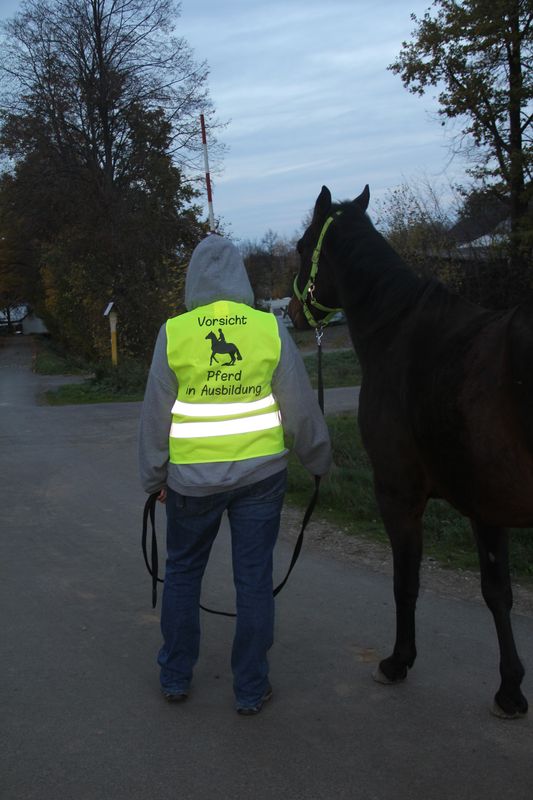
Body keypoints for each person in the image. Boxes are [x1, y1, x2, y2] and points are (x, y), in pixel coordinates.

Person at [139, 233, 331, 715]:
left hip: (191, 484)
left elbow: (155, 414)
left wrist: (155, 477)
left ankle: (175, 677)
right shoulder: (268, 328)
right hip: (260, 480)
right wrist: (317, 459)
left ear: (193, 280)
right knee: (253, 580)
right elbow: (299, 405)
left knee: (182, 574)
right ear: (240, 278)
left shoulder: (175, 333)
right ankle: (250, 688)